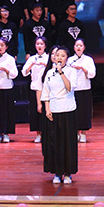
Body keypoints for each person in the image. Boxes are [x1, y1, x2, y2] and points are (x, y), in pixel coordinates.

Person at [40, 46, 78, 184]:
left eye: (62, 55)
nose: (59, 58)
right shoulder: (49, 73)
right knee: (54, 142)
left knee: (67, 142)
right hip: (53, 110)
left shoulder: (72, 71)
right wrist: (47, 109)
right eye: (57, 55)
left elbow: (69, 87)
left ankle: (68, 173)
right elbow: (46, 92)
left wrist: (61, 72)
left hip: (68, 110)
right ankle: (57, 172)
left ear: (67, 58)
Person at [67, 38, 96, 143]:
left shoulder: (88, 60)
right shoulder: (70, 60)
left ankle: (83, 133)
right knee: (73, 112)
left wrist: (83, 68)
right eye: (77, 45)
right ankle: (75, 132)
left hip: (84, 89)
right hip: (73, 90)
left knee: (84, 112)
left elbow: (92, 74)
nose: (78, 48)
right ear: (74, 47)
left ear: (84, 47)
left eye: (80, 46)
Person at [22, 36, 49, 143]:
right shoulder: (32, 58)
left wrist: (45, 65)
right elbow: (24, 72)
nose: (39, 46)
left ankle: (47, 133)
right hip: (35, 88)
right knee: (35, 112)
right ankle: (38, 134)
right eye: (37, 44)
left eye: (41, 44)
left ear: (45, 46)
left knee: (46, 111)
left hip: (47, 89)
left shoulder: (48, 58)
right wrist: (31, 65)